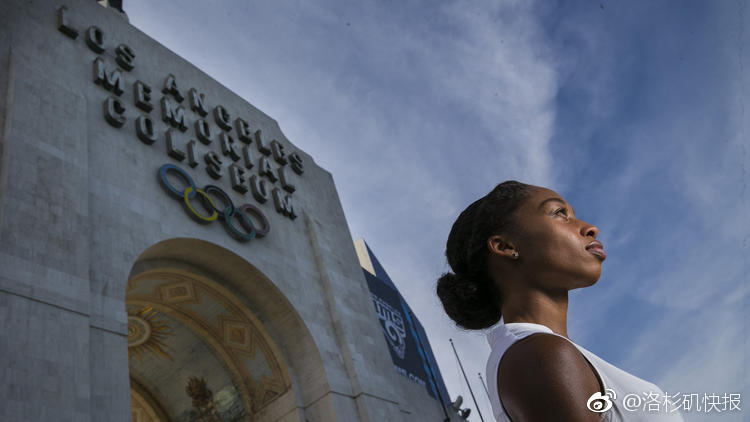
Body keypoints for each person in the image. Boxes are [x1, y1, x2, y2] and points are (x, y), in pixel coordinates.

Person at [436, 181, 684, 421]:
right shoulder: (540, 355)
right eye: (559, 213)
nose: (589, 228)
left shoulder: (540, 351)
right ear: (506, 246)